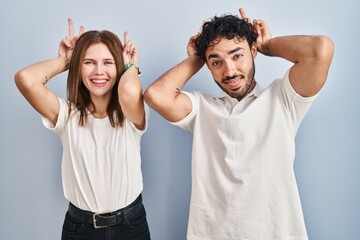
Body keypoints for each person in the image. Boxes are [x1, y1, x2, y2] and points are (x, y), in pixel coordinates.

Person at [144, 7, 334, 240]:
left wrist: (268, 45)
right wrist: (195, 59)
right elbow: (156, 96)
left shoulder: (283, 98)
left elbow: (320, 51)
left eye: (237, 55)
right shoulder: (202, 108)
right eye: (216, 62)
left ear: (252, 51)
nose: (230, 71)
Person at [15, 19, 150, 240]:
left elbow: (127, 91)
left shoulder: (131, 112)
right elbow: (26, 80)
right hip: (80, 228)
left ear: (119, 66)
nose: (99, 71)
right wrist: (66, 60)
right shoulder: (66, 115)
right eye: (89, 62)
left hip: (131, 226)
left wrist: (131, 66)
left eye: (108, 62)